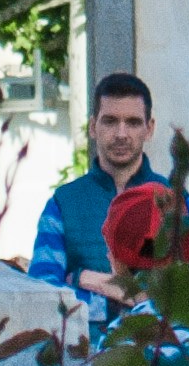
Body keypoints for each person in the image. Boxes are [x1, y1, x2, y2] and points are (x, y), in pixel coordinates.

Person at [30, 75, 173, 289]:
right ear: (92, 127)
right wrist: (111, 298)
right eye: (110, 121)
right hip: (86, 325)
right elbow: (44, 292)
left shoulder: (173, 199)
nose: (121, 134)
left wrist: (83, 279)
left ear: (149, 129)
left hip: (157, 324)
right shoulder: (63, 204)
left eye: (133, 122)